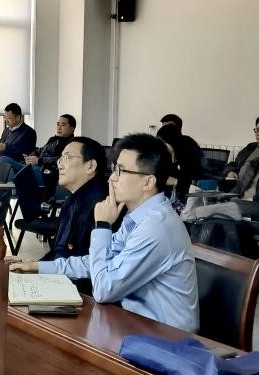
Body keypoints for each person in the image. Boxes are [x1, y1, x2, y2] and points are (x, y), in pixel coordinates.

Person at [12, 133, 198, 332]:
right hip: (135, 325)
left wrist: (102, 225)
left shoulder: (156, 228)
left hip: (165, 339)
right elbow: (96, 262)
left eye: (121, 170)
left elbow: (103, 290)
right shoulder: (138, 218)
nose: (112, 178)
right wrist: (36, 266)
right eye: (114, 169)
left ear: (148, 182)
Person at [40, 137, 109, 261]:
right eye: (61, 158)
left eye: (68, 157)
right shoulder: (72, 199)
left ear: (91, 166)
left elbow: (85, 263)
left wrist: (39, 267)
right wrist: (35, 266)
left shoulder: (102, 205)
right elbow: (58, 252)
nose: (59, 165)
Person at [15, 114, 76, 221]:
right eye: (58, 124)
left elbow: (62, 160)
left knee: (27, 172)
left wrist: (39, 160)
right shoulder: (53, 139)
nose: (59, 127)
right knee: (5, 160)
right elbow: (40, 150)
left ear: (72, 128)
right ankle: (15, 177)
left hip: (49, 174)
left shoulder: (72, 144)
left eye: (63, 125)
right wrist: (30, 156)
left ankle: (33, 211)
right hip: (37, 168)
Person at [0, 102, 36, 180]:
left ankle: (6, 186)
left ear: (18, 117)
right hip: (0, 162)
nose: (6, 121)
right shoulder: (6, 130)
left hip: (17, 164)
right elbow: (0, 146)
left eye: (9, 118)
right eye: (5, 118)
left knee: (2, 160)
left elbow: (25, 152)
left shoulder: (29, 132)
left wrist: (6, 147)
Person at [157, 122, 204, 205]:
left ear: (172, 141)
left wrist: (176, 181)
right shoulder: (163, 156)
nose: (162, 146)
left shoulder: (188, 158)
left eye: (164, 142)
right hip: (164, 197)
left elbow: (192, 183)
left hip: (182, 198)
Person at [225, 114, 259, 179]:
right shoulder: (251, 146)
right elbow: (234, 164)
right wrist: (231, 171)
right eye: (257, 130)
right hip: (234, 181)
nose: (258, 134)